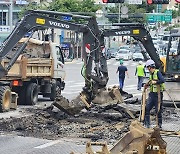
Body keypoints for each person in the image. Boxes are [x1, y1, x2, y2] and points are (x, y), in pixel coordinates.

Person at [144, 59, 165, 129]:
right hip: (152, 94)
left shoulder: (157, 72)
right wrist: (147, 85)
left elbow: (162, 80)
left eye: (148, 67)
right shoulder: (151, 74)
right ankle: (147, 124)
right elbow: (150, 82)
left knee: (158, 110)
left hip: (158, 95)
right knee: (147, 108)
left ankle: (159, 125)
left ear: (150, 67)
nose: (148, 69)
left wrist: (155, 82)